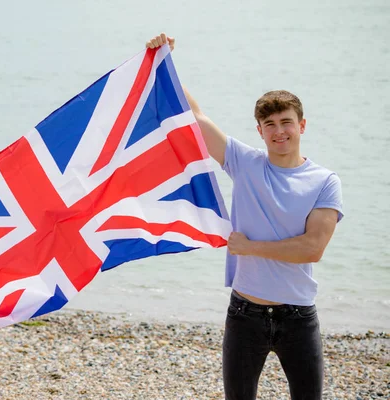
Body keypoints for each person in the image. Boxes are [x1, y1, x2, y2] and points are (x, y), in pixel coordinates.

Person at [146, 33, 344, 400]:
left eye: (286, 122)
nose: (279, 132)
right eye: (270, 125)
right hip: (245, 314)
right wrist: (164, 61)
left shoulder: (324, 181)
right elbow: (196, 116)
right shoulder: (246, 163)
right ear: (260, 131)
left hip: (298, 316)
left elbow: (312, 248)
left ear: (302, 125)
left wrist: (250, 247)